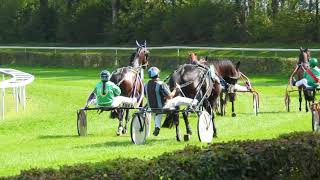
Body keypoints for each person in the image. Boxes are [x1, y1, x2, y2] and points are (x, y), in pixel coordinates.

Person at [145, 67, 198, 136]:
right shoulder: (161, 84)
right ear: (158, 75)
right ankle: (194, 102)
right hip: (164, 106)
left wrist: (162, 97)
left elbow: (147, 95)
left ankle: (157, 127)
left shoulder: (146, 85)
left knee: (158, 112)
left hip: (152, 108)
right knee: (178, 98)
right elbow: (170, 96)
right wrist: (176, 89)